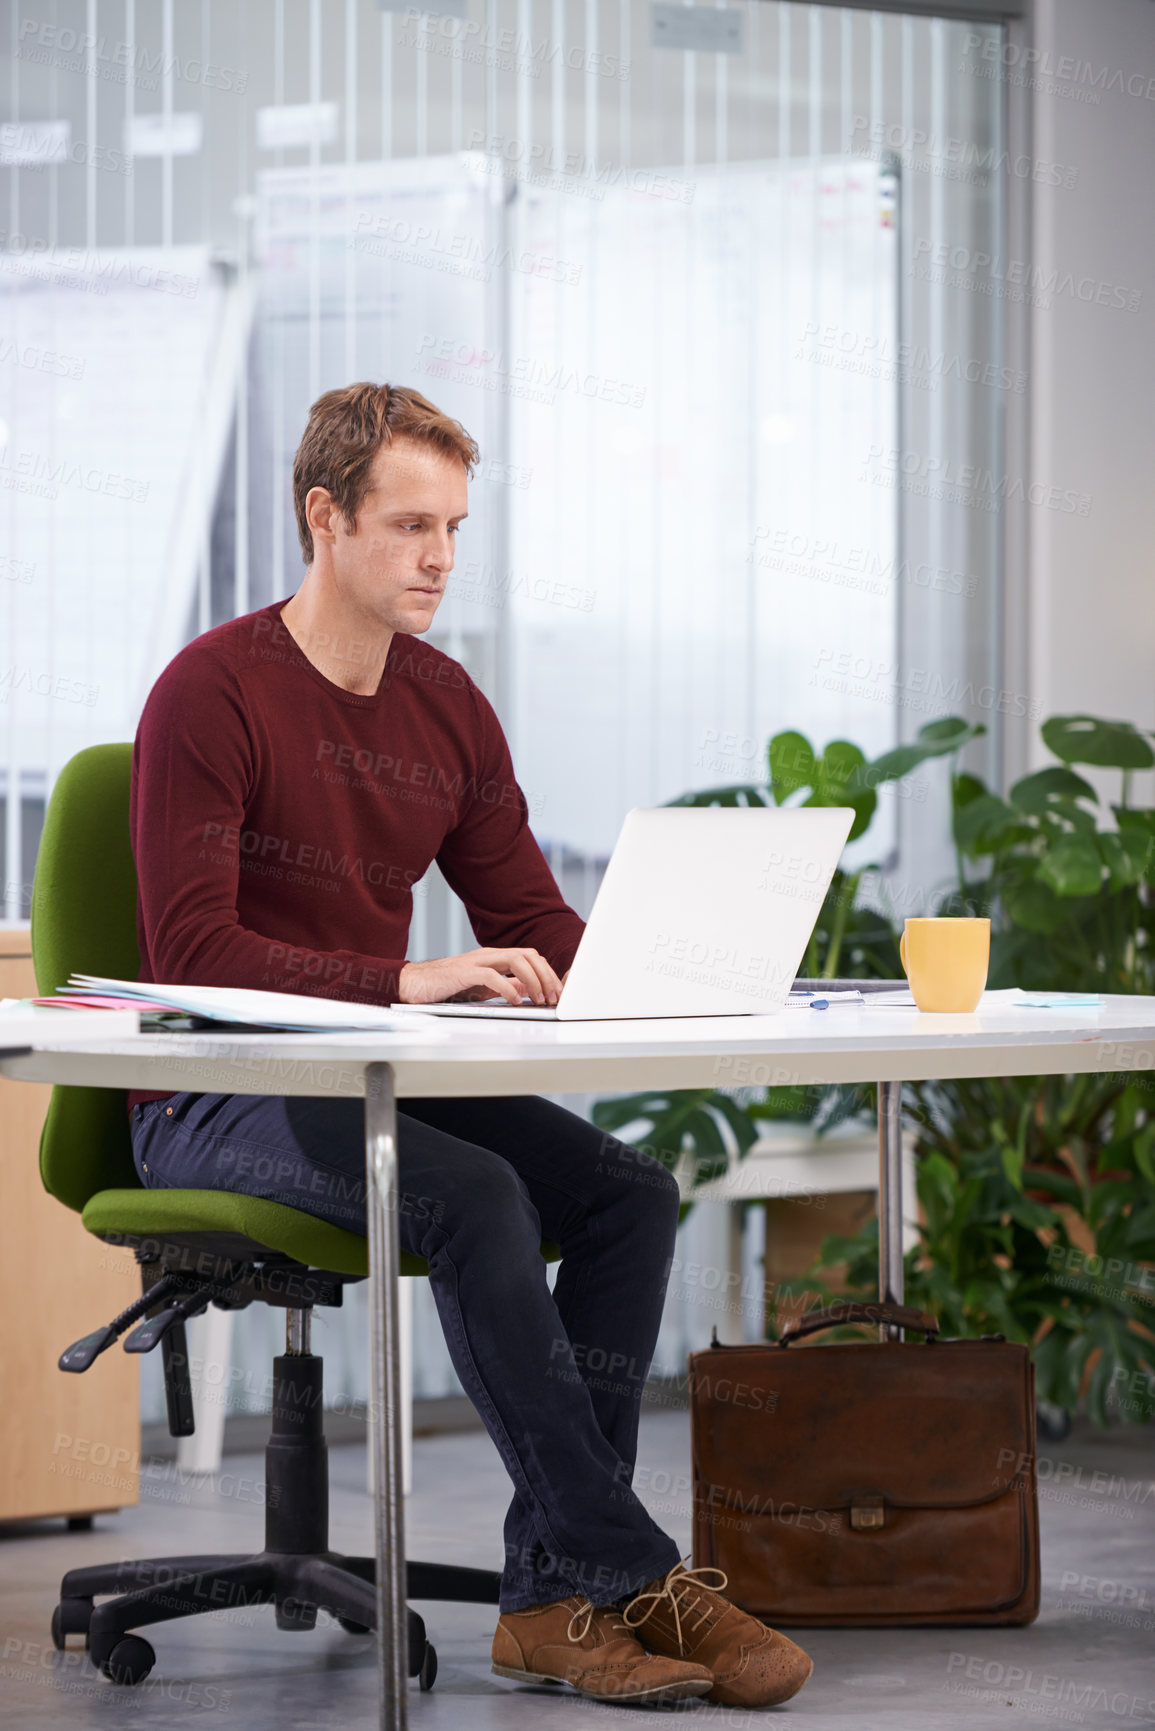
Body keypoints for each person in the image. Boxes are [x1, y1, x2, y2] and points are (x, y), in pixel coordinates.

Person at [128, 381, 813, 1709]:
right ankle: (629, 1574)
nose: (440, 555)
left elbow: (530, 920)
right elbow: (190, 955)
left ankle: (547, 1602)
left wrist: (669, 957)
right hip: (218, 1087)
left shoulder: (444, 705)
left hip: (373, 1080)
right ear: (324, 519)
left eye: (452, 524)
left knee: (626, 1196)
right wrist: (404, 975)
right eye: (407, 524)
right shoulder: (211, 694)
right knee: (477, 1193)